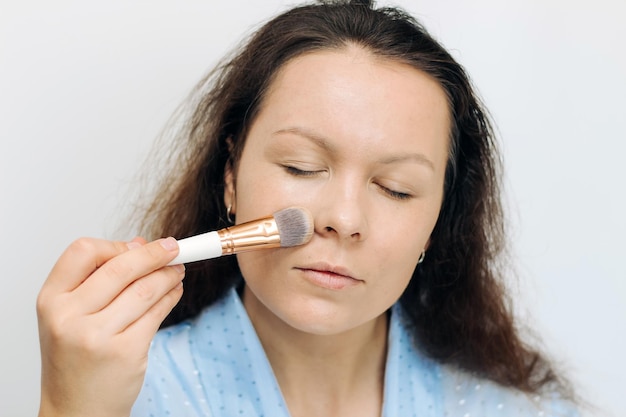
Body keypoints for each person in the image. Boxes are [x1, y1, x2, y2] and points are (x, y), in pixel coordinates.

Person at [36, 1, 580, 416]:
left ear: (436, 226)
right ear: (231, 176)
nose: (343, 218)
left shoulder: (510, 406)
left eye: (395, 188)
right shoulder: (125, 392)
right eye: (299, 166)